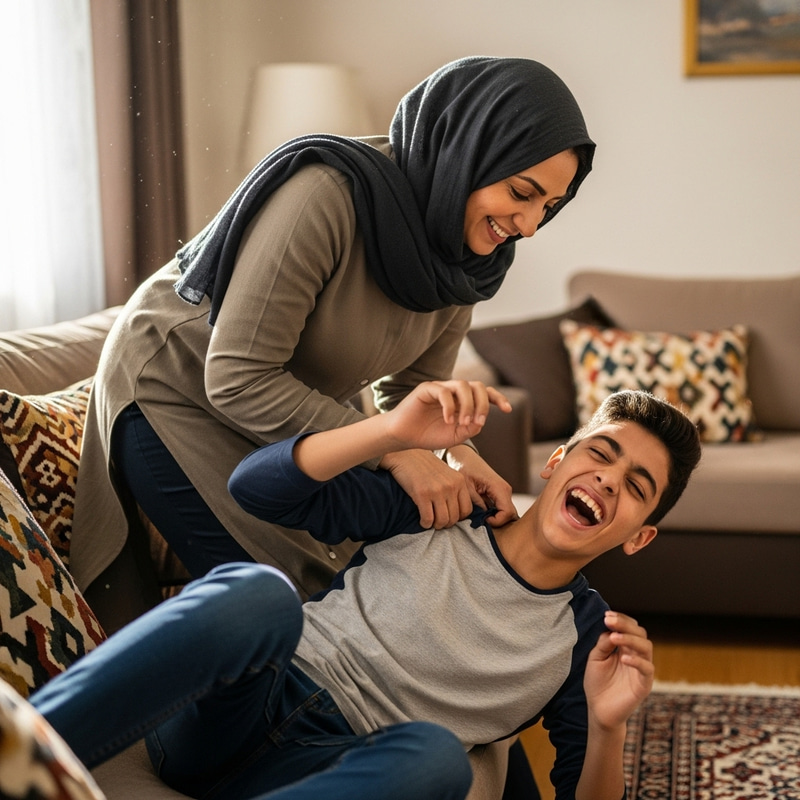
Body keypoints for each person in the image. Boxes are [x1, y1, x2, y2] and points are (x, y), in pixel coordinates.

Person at [67, 56, 596, 621]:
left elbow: (412, 390)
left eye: (549, 206)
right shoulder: (325, 196)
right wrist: (393, 449)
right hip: (176, 388)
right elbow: (237, 376)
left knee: (358, 588)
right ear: (467, 149)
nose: (530, 225)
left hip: (285, 409)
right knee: (293, 600)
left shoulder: (466, 257)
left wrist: (458, 454)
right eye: (521, 192)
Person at [33, 383, 702, 800]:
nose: (610, 480)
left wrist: (610, 727)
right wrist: (391, 437)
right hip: (235, 708)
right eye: (601, 453)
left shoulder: (588, 641)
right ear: (559, 463)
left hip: (328, 765)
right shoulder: (443, 505)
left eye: (637, 487)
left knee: (439, 760)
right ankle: (23, 749)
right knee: (260, 595)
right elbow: (255, 488)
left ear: (638, 536)